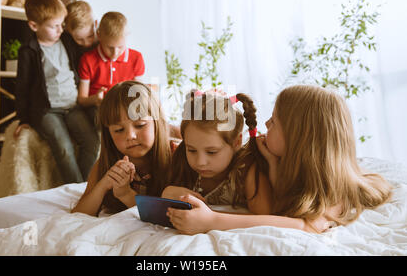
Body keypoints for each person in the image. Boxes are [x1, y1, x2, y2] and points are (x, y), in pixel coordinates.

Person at [166, 85, 393, 234]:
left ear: (298, 137)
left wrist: (212, 221)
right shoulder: (276, 159)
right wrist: (273, 166)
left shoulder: (330, 185)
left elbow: (307, 226)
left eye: (274, 121)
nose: (265, 124)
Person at [14, 0, 100, 183]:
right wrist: (23, 119)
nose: (61, 30)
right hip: (47, 111)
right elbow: (22, 86)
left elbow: (87, 45)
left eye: (62, 25)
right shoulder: (28, 51)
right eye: (54, 26)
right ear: (34, 26)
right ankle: (75, 190)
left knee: (92, 142)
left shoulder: (67, 41)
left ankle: (84, 187)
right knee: (64, 147)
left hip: (73, 107)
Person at [71, 81, 172, 216]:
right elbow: (79, 213)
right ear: (109, 135)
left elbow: (165, 215)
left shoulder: (177, 156)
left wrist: (126, 194)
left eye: (140, 125)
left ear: (156, 123)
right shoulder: (106, 163)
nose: (130, 136)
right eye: (118, 130)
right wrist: (104, 184)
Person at [162, 89, 272, 213]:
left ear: (236, 142)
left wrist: (210, 219)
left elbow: (266, 220)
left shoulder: (248, 170)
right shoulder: (181, 160)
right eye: (192, 150)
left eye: (212, 152)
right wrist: (167, 194)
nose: (200, 162)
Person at [77, 11, 145, 125]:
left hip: (124, 107)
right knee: (108, 119)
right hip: (98, 108)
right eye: (110, 47)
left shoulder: (136, 58)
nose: (115, 53)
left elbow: (138, 93)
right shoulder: (87, 60)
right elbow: (82, 100)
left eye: (120, 47)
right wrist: (95, 99)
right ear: (99, 35)